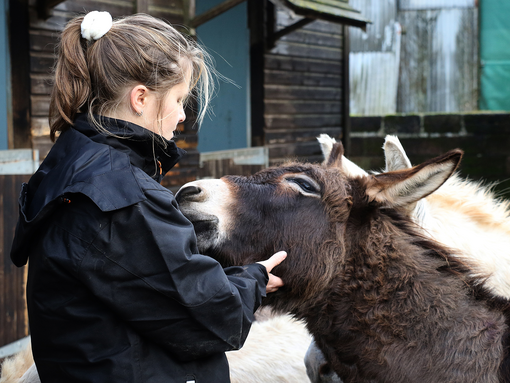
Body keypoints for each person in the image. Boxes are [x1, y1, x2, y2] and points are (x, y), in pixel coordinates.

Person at [10, 11, 287, 383]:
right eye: (178, 99)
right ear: (140, 98)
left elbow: (144, 286)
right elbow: (212, 319)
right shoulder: (121, 197)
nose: (182, 116)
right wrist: (252, 279)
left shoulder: (69, 167)